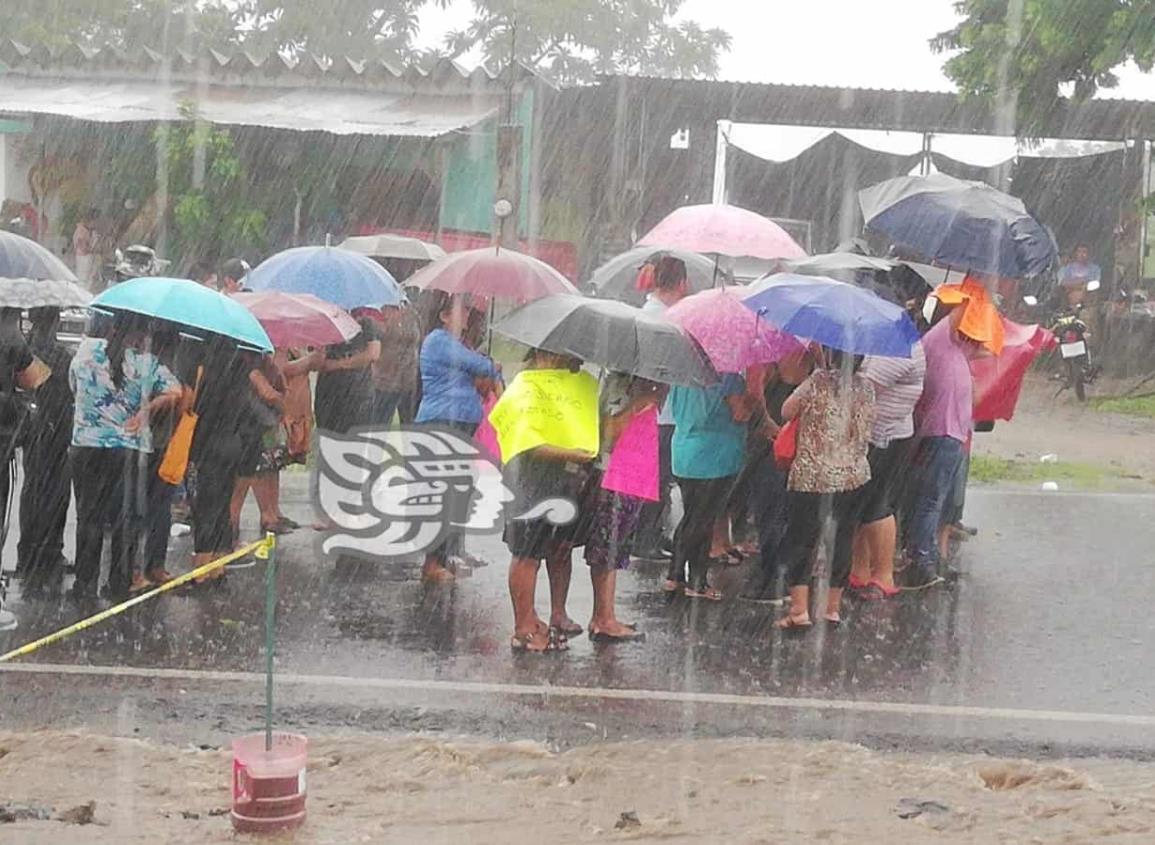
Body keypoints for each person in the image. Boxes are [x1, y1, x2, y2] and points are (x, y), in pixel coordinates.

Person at [492, 349, 598, 653]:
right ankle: (524, 627)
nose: (562, 360)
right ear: (539, 354)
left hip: (562, 481)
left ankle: (556, 613)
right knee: (527, 554)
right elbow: (530, 443)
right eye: (556, 355)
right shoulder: (525, 388)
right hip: (527, 482)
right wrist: (575, 454)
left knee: (559, 548)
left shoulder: (574, 387)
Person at [69, 318, 181, 600]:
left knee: (89, 516)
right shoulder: (147, 363)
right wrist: (148, 409)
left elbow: (73, 386)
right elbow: (176, 392)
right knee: (125, 518)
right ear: (139, 334)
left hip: (86, 445)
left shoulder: (84, 353)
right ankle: (118, 583)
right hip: (128, 450)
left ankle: (84, 584)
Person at [775, 348, 875, 630]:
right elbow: (868, 427)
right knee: (842, 539)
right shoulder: (866, 388)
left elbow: (786, 411)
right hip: (852, 477)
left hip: (812, 476)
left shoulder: (817, 381)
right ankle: (831, 609)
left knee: (801, 541)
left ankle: (799, 611)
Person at [415, 292, 499, 584]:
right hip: (441, 422)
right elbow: (483, 367)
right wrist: (488, 362)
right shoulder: (438, 341)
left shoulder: (457, 344)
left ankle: (452, 551)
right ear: (444, 315)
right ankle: (431, 561)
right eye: (460, 311)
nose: (466, 316)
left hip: (460, 422)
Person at [582, 373, 663, 641]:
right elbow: (609, 431)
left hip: (633, 478)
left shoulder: (641, 382)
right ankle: (603, 618)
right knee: (607, 549)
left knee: (615, 550)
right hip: (617, 476)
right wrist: (640, 402)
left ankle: (605, 615)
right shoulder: (621, 383)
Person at [905, 308, 979, 587]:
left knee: (938, 500)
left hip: (951, 433)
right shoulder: (938, 339)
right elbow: (962, 309)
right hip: (942, 431)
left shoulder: (955, 348)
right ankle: (922, 560)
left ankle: (930, 557)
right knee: (931, 500)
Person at [849, 341, 927, 598]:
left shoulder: (897, 345)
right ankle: (859, 570)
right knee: (860, 505)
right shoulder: (887, 341)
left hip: (885, 437)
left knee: (877, 505)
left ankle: (883, 574)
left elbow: (865, 389)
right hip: (874, 434)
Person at [666, 370, 749, 600]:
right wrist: (753, 398)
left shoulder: (681, 375)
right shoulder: (728, 377)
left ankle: (674, 575)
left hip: (684, 452)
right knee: (703, 520)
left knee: (693, 515)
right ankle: (697, 581)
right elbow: (740, 413)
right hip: (715, 456)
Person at [741, 349, 815, 602]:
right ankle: (788, 576)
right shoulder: (811, 348)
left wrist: (765, 421)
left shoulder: (766, 344)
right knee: (787, 510)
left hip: (773, 438)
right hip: (798, 434)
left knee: (770, 509)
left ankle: (773, 577)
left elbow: (753, 392)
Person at [634, 255, 692, 561]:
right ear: (681, 283)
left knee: (656, 476)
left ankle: (650, 534)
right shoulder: (667, 320)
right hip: (663, 412)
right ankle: (645, 538)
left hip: (655, 410)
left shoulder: (649, 313)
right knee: (656, 478)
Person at [367, 304, 421, 426]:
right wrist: (386, 322)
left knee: (410, 428)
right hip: (385, 382)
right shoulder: (380, 314)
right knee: (380, 427)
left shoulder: (412, 314)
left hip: (409, 382)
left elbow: (418, 341)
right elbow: (374, 343)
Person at [72, 209, 99, 288]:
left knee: (89, 278)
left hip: (88, 256)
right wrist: (91, 249)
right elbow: (82, 246)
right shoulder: (81, 231)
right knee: (82, 278)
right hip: (83, 257)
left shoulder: (91, 231)